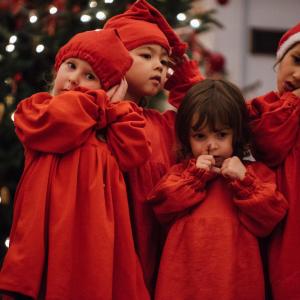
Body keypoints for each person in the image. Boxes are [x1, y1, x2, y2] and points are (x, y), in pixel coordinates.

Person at [0, 29, 151, 300]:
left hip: (92, 241)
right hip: (44, 238)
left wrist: (114, 108)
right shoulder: (38, 110)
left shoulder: (109, 124)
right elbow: (65, 117)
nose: (74, 79)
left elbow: (135, 152)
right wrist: (99, 102)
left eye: (90, 76)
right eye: (71, 66)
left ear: (109, 90)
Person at [147, 79, 288, 300]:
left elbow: (271, 216)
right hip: (182, 284)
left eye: (221, 135)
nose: (211, 145)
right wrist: (195, 176)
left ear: (237, 135)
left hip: (236, 284)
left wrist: (244, 181)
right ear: (187, 138)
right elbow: (161, 206)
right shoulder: (180, 174)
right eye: (200, 136)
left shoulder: (253, 174)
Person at [103, 0, 204, 293]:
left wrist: (181, 67)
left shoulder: (165, 125)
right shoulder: (95, 117)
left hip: (161, 256)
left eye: (165, 60)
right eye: (146, 55)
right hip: (114, 256)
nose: (160, 65)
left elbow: (206, 109)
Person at [247, 22, 300, 300]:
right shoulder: (262, 109)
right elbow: (269, 145)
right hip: (272, 232)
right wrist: (293, 104)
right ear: (280, 58)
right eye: (297, 60)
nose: (299, 74)